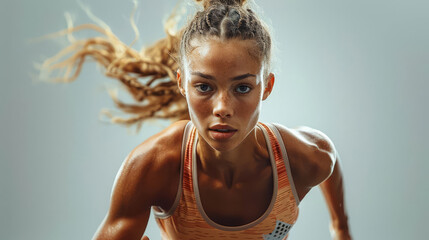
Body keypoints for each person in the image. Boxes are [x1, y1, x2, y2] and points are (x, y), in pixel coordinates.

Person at [41, 0, 352, 239]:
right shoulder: (154, 166)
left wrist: (340, 228)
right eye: (204, 87)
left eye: (242, 87)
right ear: (181, 84)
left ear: (267, 87)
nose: (222, 108)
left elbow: (331, 158)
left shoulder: (304, 158)